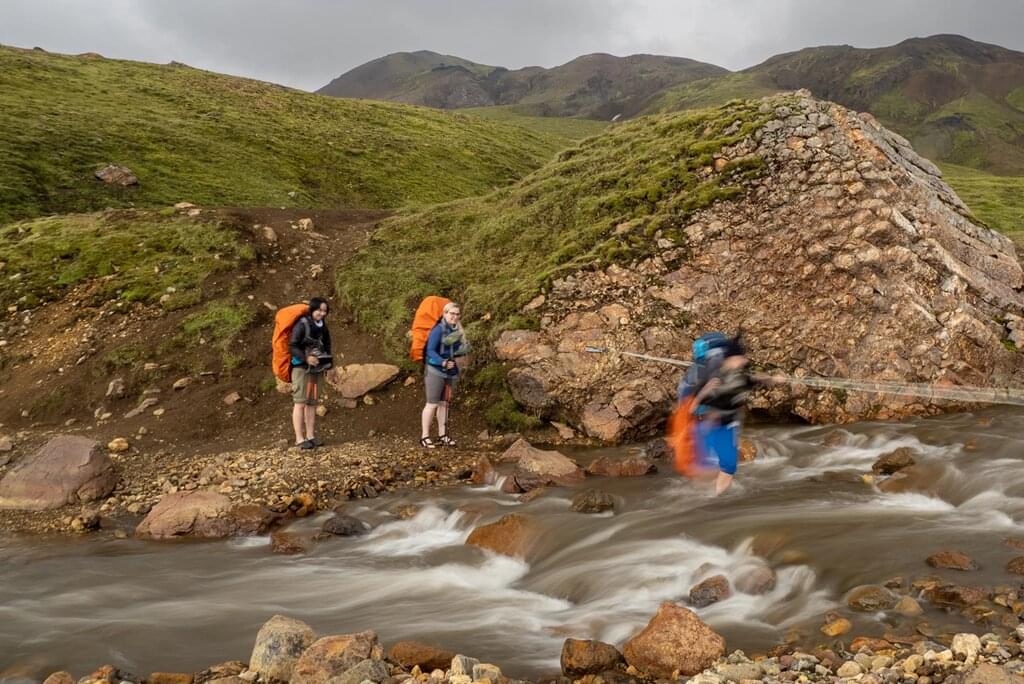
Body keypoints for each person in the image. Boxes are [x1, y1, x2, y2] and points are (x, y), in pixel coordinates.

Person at [678, 333, 782, 495]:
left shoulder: (739, 375)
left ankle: (715, 498)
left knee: (729, 466)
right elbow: (692, 405)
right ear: (729, 359)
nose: (744, 361)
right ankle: (702, 496)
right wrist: (704, 394)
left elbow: (754, 380)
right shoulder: (714, 377)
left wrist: (773, 379)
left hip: (727, 424)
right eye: (739, 358)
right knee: (705, 468)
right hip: (708, 425)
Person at [420, 301, 468, 448]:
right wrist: (442, 362)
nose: (455, 317)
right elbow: (430, 350)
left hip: (450, 371)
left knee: (444, 404)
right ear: (445, 314)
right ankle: (425, 437)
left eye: (457, 314)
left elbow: (458, 349)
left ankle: (443, 435)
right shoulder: (438, 330)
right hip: (435, 370)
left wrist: (462, 350)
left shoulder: (456, 330)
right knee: (432, 403)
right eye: (452, 313)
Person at [288, 297, 332, 449]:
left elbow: (327, 344)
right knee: (300, 402)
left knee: (312, 403)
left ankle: (310, 435)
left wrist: (328, 363)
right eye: (319, 310)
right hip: (301, 367)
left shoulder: (323, 326)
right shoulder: (301, 324)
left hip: (317, 367)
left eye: (324, 311)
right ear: (312, 309)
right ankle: (299, 439)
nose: (322, 313)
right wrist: (306, 358)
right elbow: (292, 346)